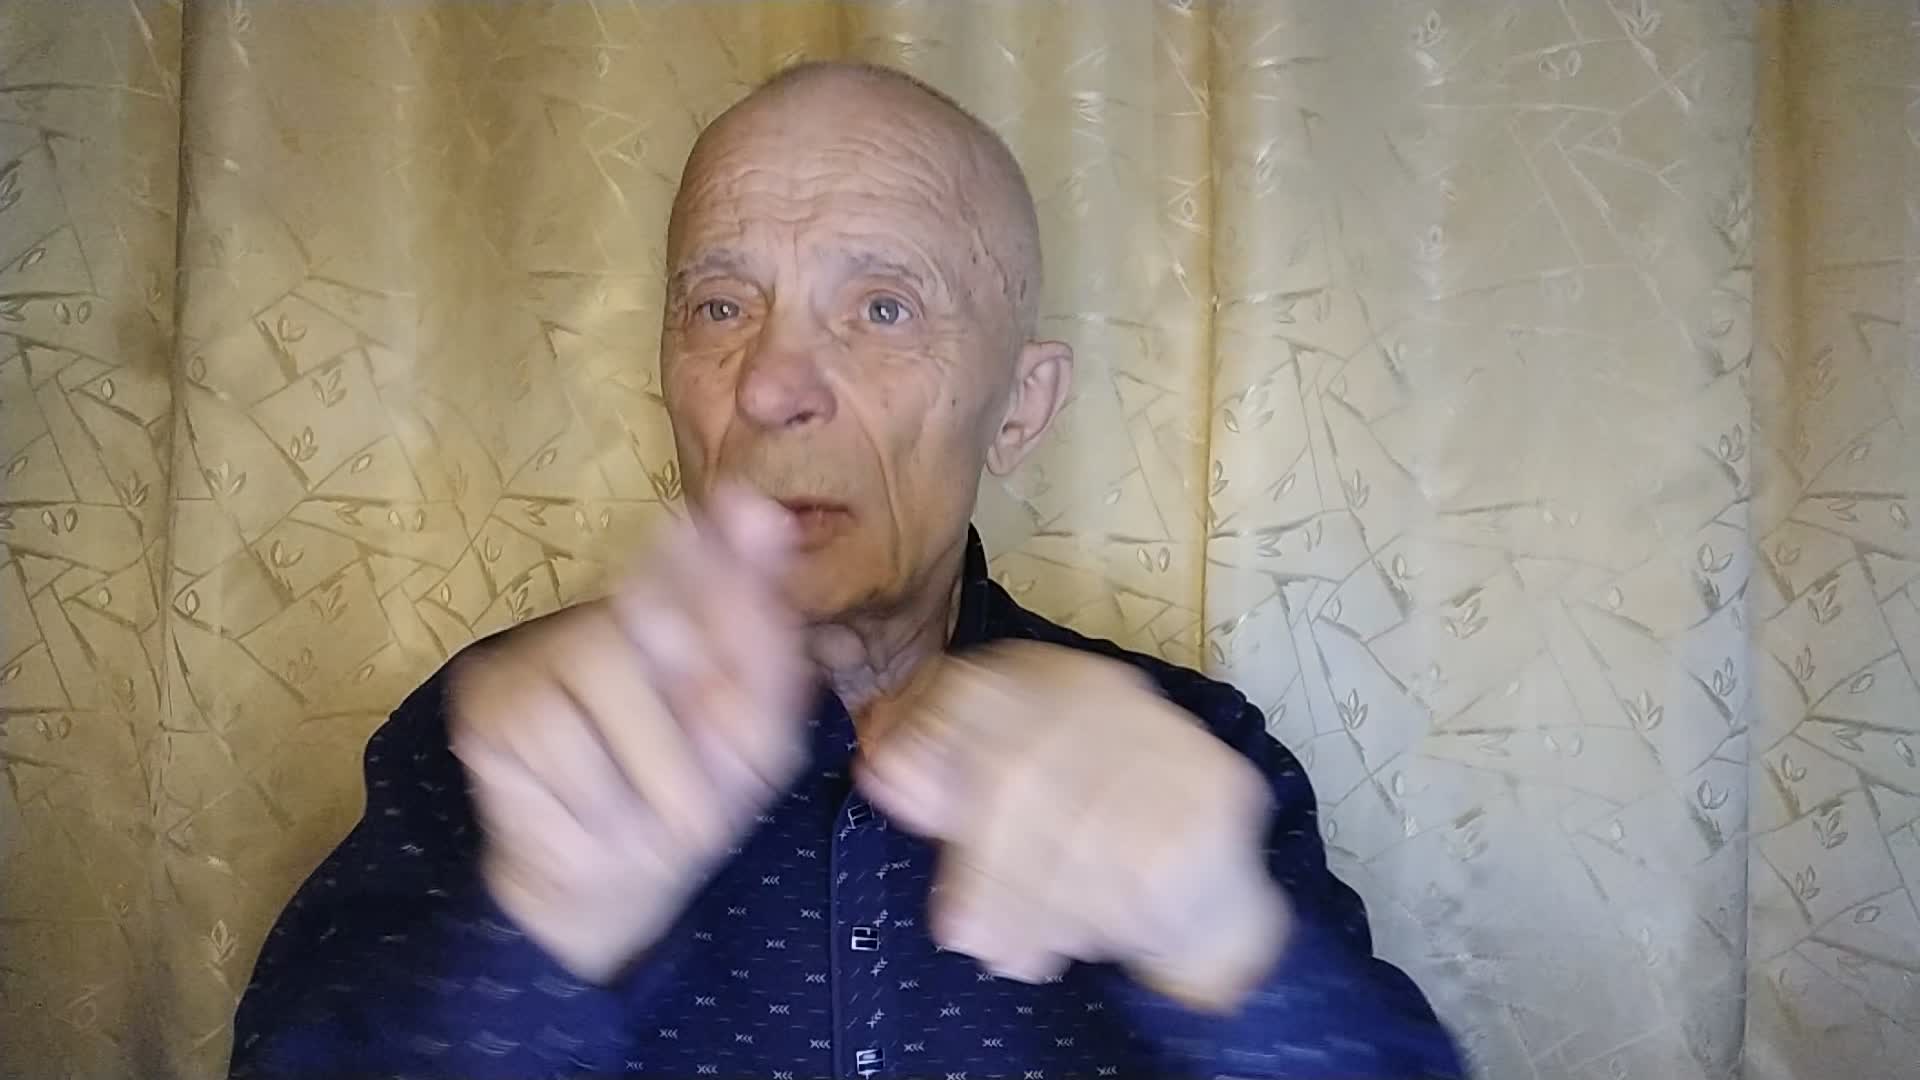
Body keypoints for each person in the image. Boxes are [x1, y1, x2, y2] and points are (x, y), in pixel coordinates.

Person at [230, 60, 1462, 1080]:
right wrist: (533, 949)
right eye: (721, 307)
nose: (773, 384)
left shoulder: (1197, 751)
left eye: (882, 307)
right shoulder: (488, 745)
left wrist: (1227, 953)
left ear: (1021, 407)